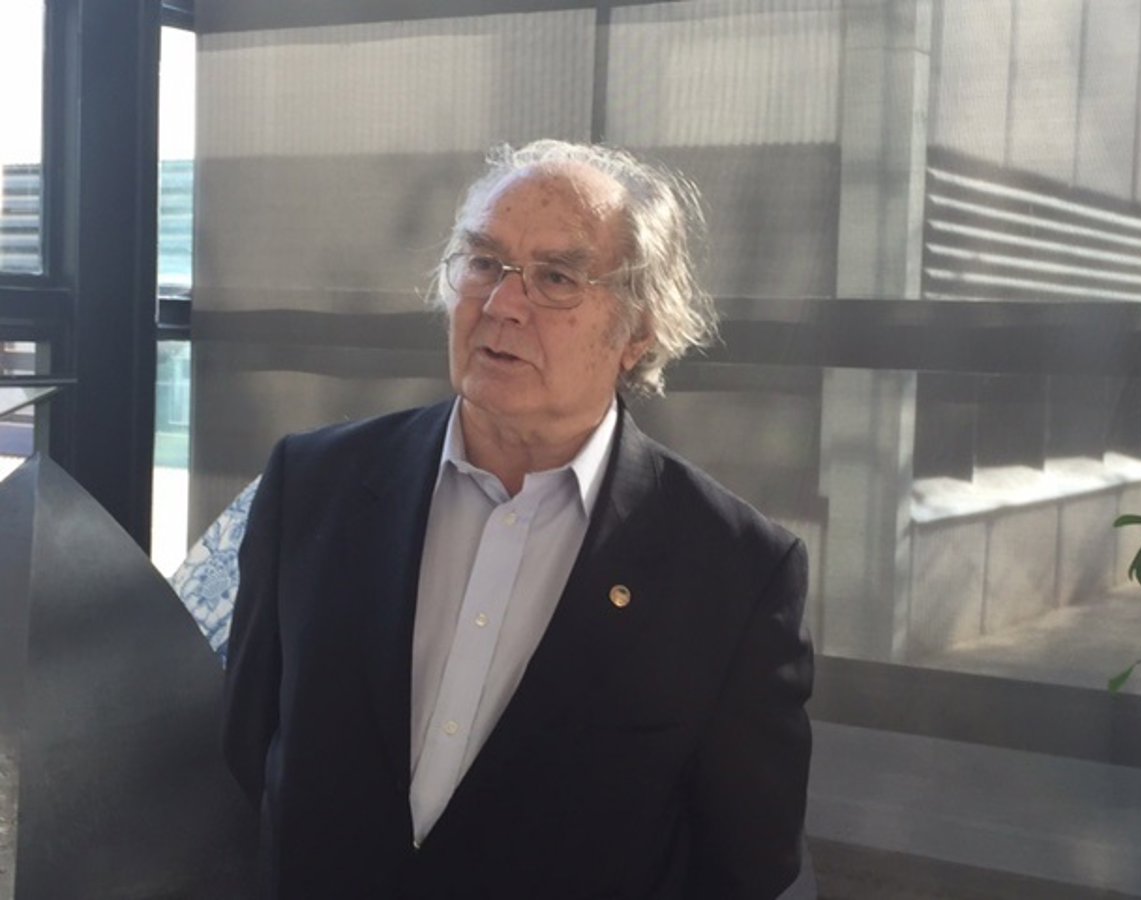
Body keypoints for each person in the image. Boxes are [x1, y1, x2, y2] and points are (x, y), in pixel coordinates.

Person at [222, 139, 814, 899]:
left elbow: (746, 867)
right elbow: (250, 750)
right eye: (483, 262)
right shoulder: (312, 487)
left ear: (639, 332)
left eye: (556, 278)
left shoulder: (733, 573)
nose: (501, 304)